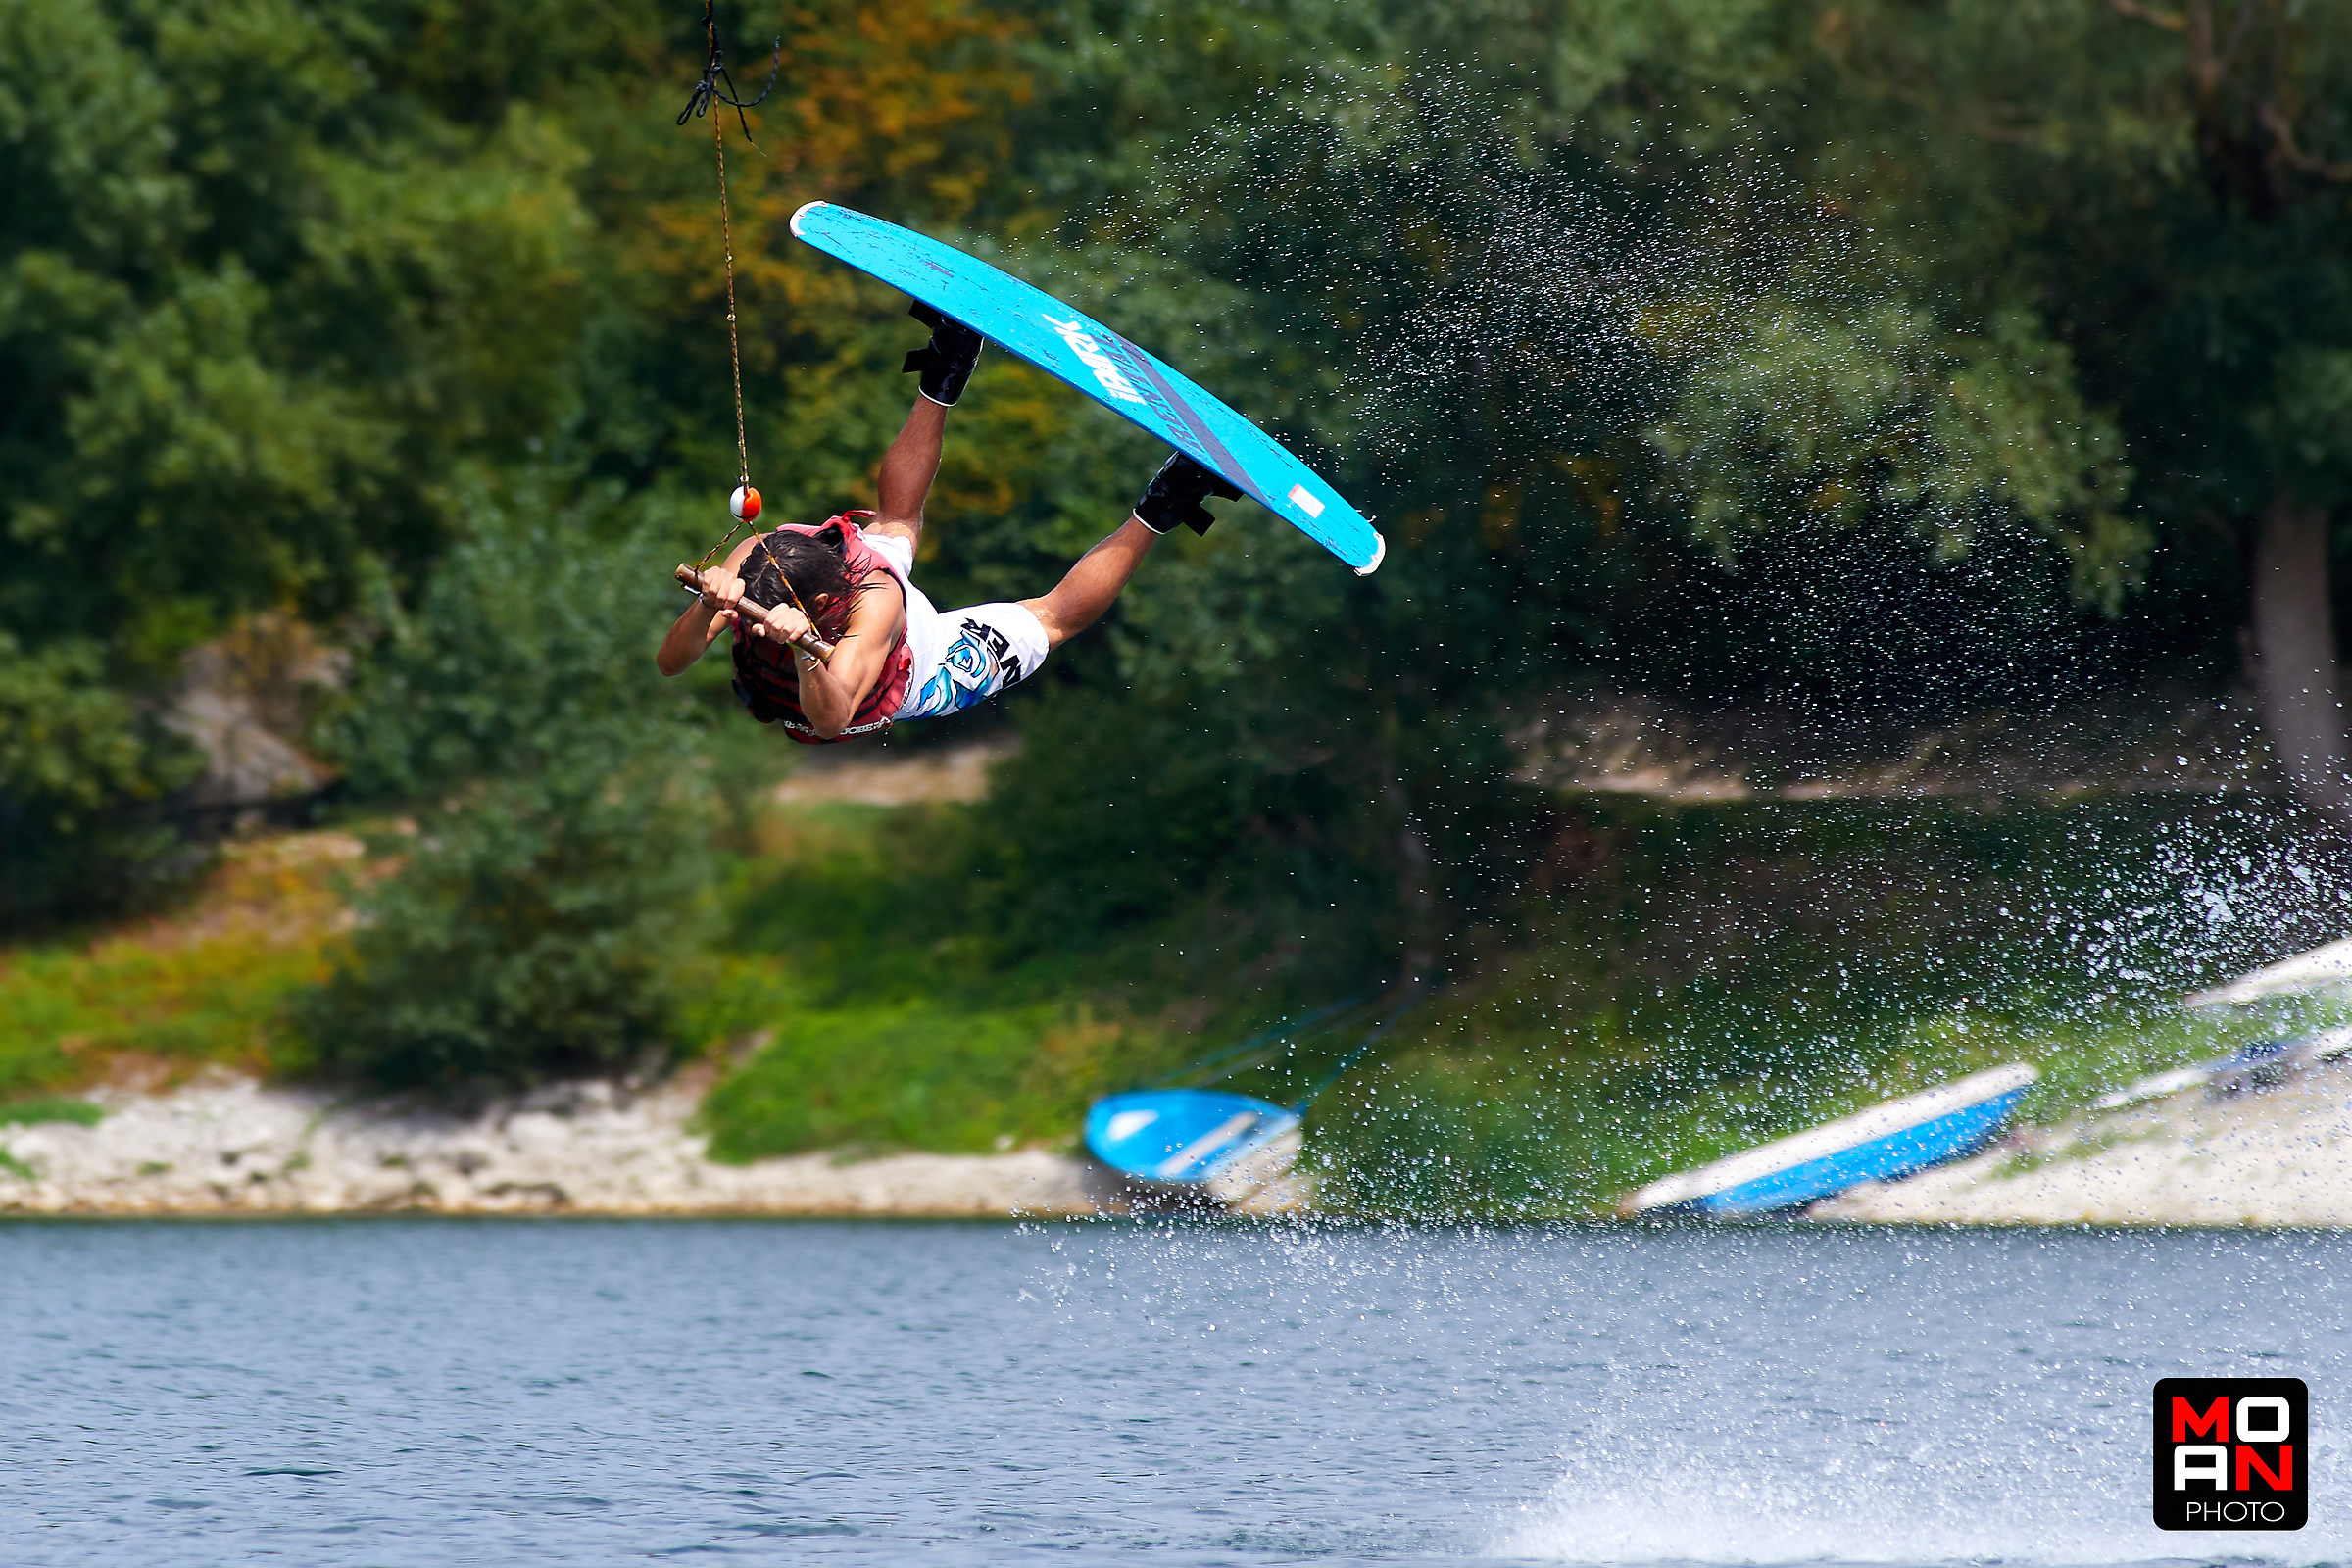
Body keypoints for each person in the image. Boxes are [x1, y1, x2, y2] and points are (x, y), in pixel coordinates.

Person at [657, 304, 1239, 742]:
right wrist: (712, 606)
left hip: (917, 657)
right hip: (904, 689)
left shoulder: (875, 602)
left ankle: (947, 364)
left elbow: (831, 710)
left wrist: (806, 646)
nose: (752, 630)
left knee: (1042, 614)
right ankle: (1171, 497)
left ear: (835, 586)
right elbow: (678, 666)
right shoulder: (759, 558)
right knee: (1040, 619)